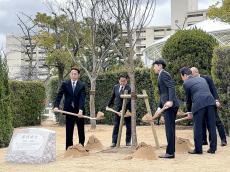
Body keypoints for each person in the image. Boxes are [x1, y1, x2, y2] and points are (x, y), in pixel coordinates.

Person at [180, 67, 217, 154]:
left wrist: (189, 112)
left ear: (185, 75)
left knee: (198, 127)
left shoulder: (186, 83)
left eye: (181, 77)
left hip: (199, 104)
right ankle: (213, 149)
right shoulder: (201, 79)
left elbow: (188, 99)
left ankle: (198, 150)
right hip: (211, 102)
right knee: (211, 126)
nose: (182, 79)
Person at [191, 67, 227, 146]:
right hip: (201, 104)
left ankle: (223, 140)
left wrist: (216, 100)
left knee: (217, 121)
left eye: (192, 74)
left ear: (196, 73)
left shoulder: (207, 78)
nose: (191, 76)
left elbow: (213, 89)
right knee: (203, 121)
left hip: (210, 103)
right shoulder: (193, 81)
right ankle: (204, 140)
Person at [152, 59, 179, 159]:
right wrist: (159, 107)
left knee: (169, 129)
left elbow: (171, 87)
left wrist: (171, 100)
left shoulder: (164, 74)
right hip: (167, 105)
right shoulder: (161, 75)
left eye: (154, 66)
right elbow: (163, 94)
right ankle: (170, 152)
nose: (153, 68)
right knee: (170, 129)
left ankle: (170, 153)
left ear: (159, 66)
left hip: (170, 106)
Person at [54, 67, 86, 150]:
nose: (73, 75)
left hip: (79, 111)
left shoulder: (82, 85)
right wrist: (56, 106)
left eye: (75, 73)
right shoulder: (65, 84)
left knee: (81, 129)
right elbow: (59, 95)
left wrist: (80, 110)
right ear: (70, 75)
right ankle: (68, 147)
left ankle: (81, 145)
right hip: (69, 110)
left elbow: (82, 99)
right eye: (72, 73)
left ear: (78, 75)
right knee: (69, 129)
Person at [106, 74, 131, 147]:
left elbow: (128, 100)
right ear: (119, 80)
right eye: (121, 81)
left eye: (124, 81)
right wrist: (108, 105)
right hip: (117, 110)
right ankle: (114, 142)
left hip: (127, 111)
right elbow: (112, 97)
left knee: (129, 126)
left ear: (127, 81)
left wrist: (124, 110)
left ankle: (128, 141)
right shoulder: (115, 87)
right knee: (116, 125)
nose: (122, 82)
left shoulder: (129, 88)